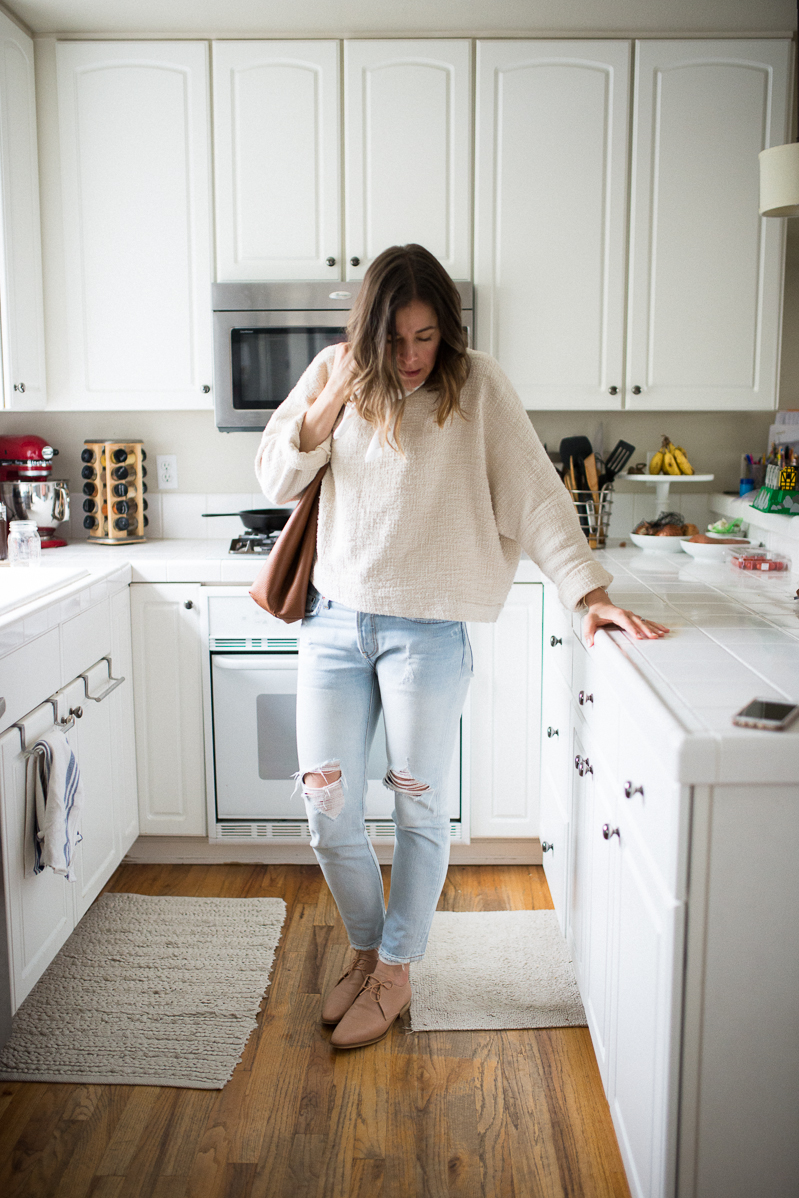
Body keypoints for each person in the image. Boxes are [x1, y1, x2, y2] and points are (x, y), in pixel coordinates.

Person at [255, 244, 667, 1050]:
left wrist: (591, 594)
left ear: (448, 331)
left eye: (427, 338)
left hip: (427, 634)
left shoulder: (478, 386)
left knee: (416, 807)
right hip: (334, 626)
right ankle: (372, 951)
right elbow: (274, 477)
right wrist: (336, 392)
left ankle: (397, 971)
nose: (411, 358)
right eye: (396, 340)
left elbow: (539, 496)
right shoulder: (336, 372)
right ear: (369, 332)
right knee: (326, 809)